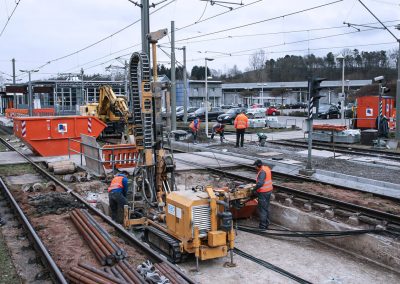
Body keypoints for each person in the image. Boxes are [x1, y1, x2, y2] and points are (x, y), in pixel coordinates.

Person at [252, 159, 273, 230]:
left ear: (258, 166)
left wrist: (254, 189)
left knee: (262, 210)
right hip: (269, 191)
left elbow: (260, 183)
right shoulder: (266, 168)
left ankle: (262, 226)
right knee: (266, 208)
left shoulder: (262, 172)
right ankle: (267, 223)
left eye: (255, 166)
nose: (255, 168)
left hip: (263, 193)